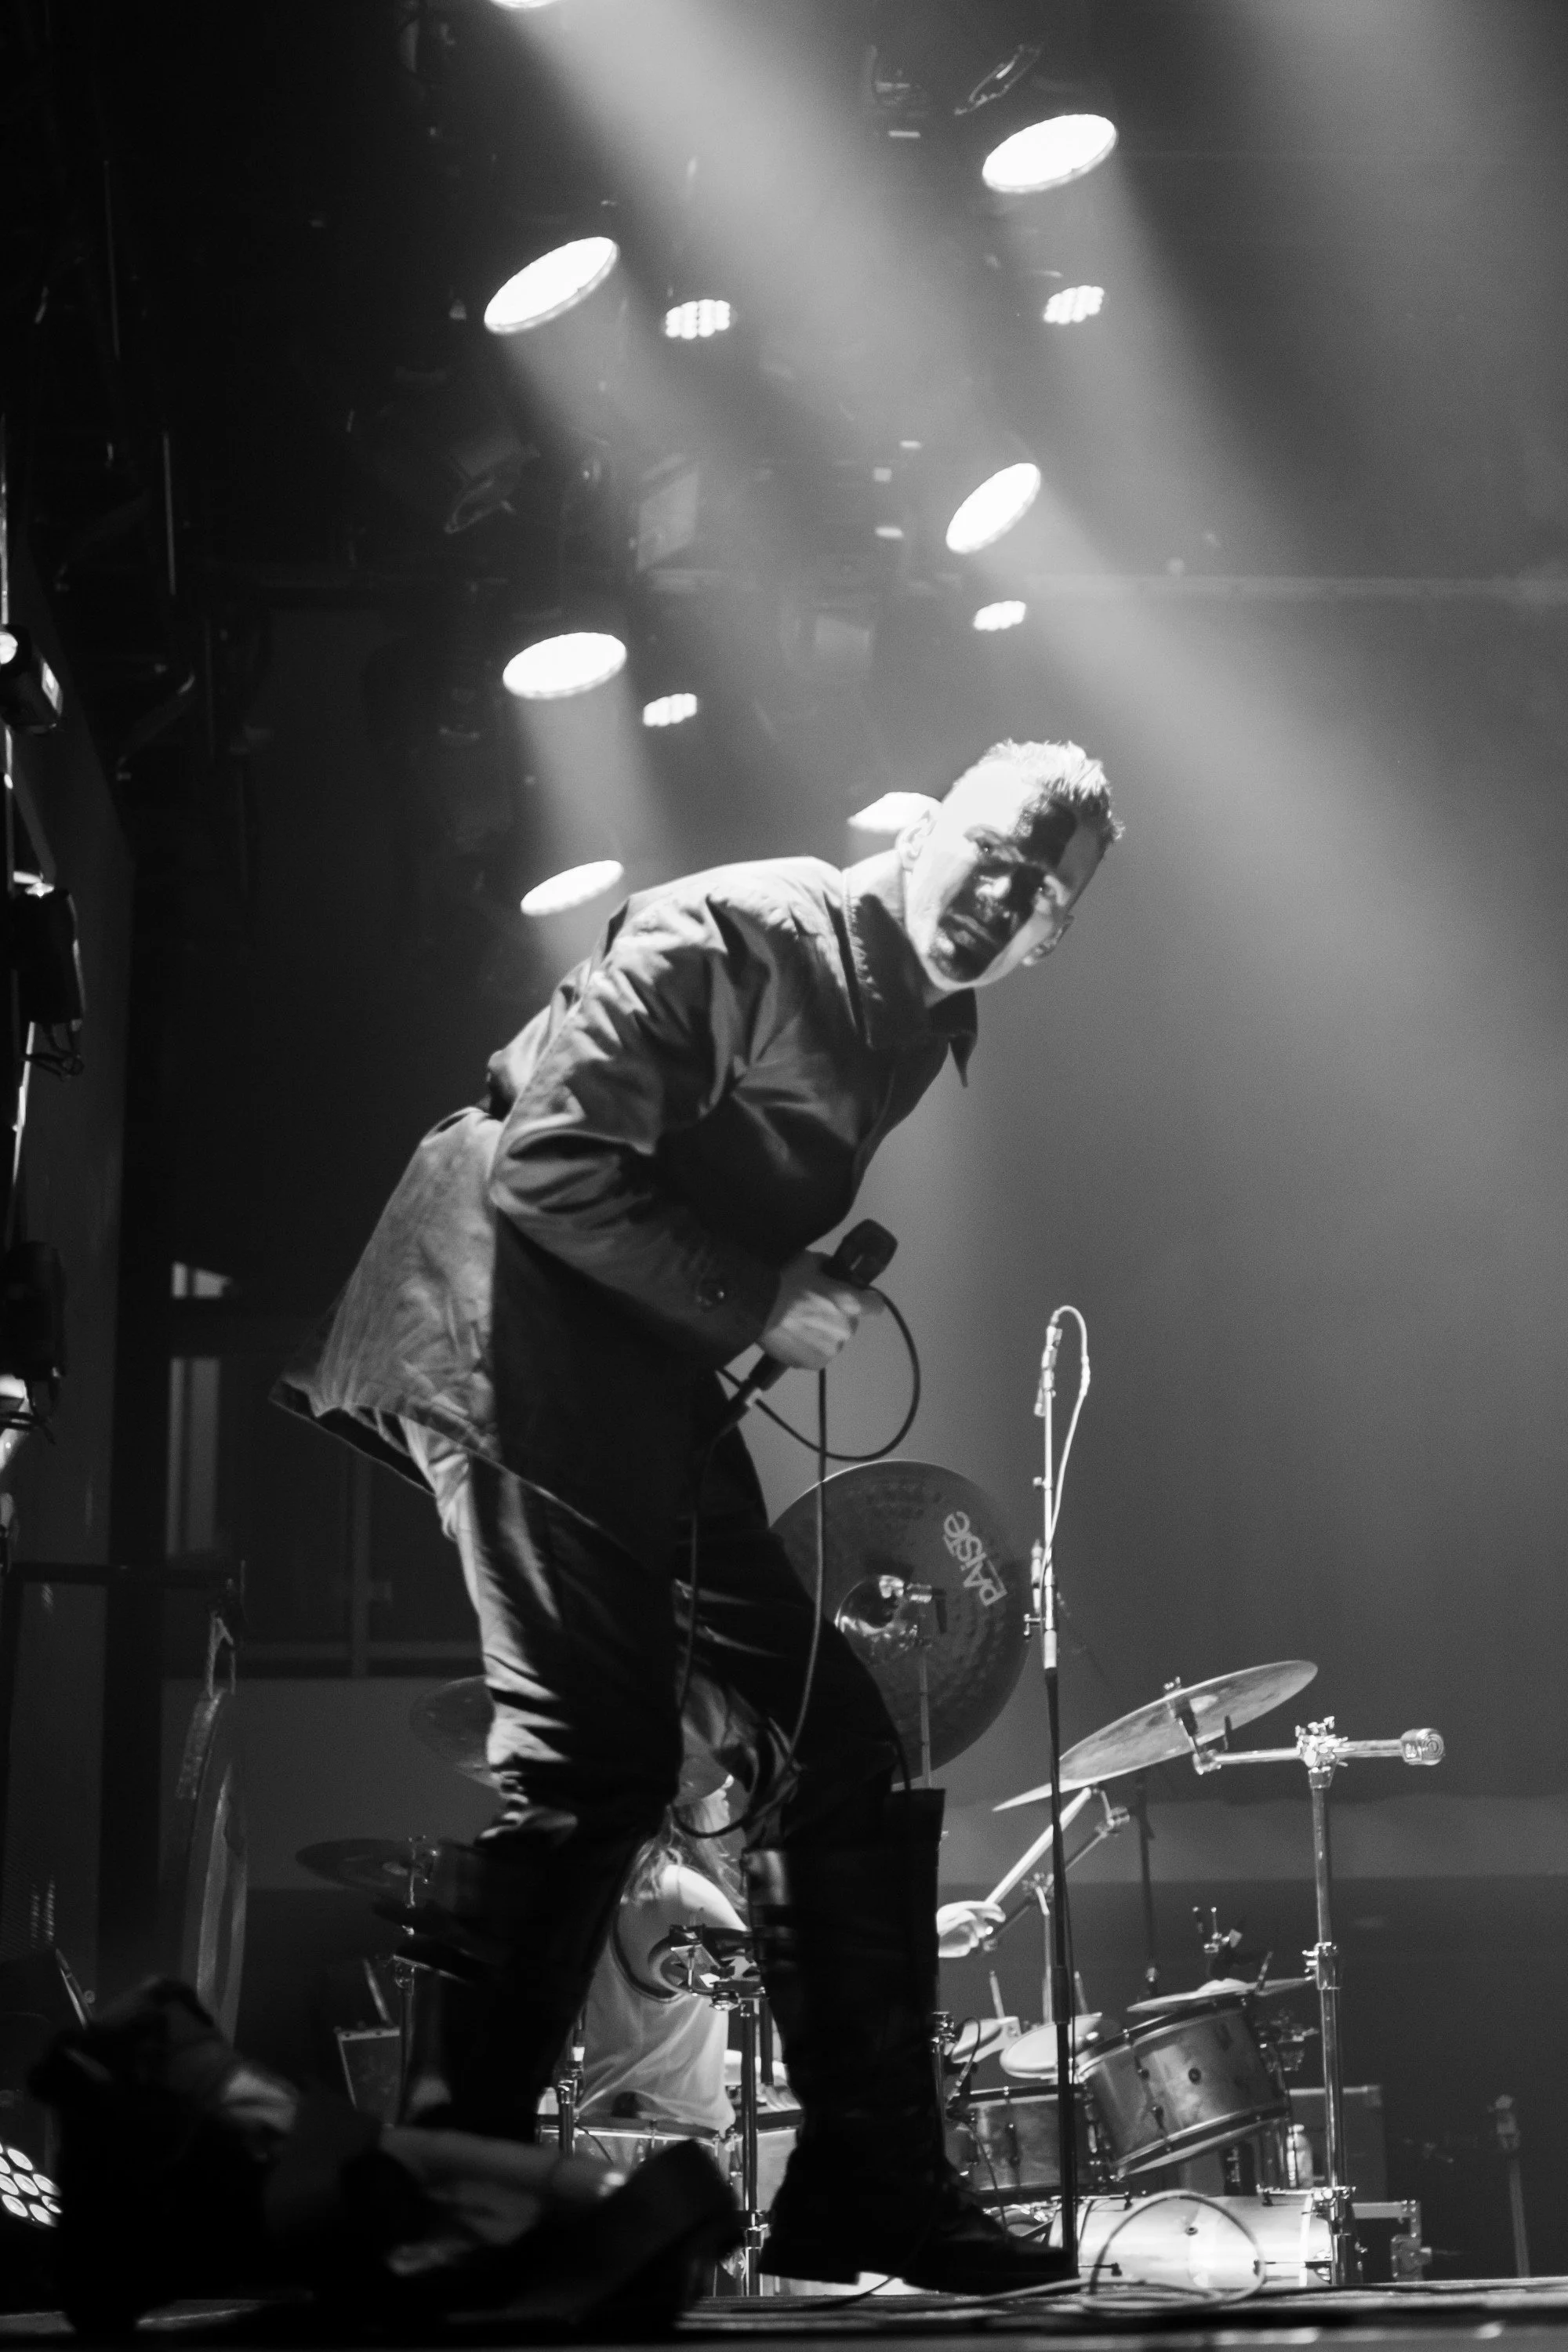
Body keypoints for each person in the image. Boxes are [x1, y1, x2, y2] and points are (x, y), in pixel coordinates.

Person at [278, 737, 1120, 2291]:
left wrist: (744, 1300)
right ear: (922, 824)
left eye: (1039, 902)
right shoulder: (740, 934)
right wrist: (759, 1297)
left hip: (631, 1370)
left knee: (838, 1741)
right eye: (990, 856)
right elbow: (548, 1167)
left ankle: (867, 2184)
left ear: (1056, 939)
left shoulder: (922, 1020)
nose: (1001, 904)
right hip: (503, 1331)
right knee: (588, 1763)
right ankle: (435, 2198)